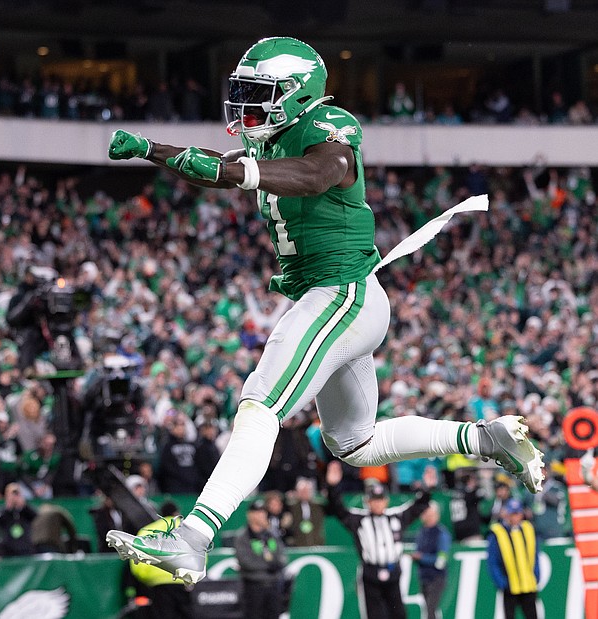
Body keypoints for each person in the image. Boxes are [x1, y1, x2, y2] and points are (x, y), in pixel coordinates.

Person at [105, 36, 544, 585]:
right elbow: (216, 166)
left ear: (296, 94)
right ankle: (484, 439)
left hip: (341, 292)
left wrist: (232, 172)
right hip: (340, 298)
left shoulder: (330, 128)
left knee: (260, 403)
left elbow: (315, 174)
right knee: (355, 444)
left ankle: (193, 537)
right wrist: (152, 148)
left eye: (258, 94)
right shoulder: (273, 141)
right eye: (241, 92)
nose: (245, 107)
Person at [326, 461, 435, 619]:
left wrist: (427, 488)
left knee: (398, 614)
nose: (377, 503)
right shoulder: (359, 519)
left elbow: (418, 507)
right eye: (374, 500)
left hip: (393, 572)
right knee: (375, 615)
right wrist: (332, 487)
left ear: (386, 501)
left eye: (380, 499)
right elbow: (338, 509)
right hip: (370, 574)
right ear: (367, 502)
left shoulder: (396, 516)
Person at [234, 499, 288, 619]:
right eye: (258, 512)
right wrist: (269, 565)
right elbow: (246, 562)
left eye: (263, 512)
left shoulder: (271, 535)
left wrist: (275, 564)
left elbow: (282, 556)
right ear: (250, 515)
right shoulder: (243, 537)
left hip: (274, 585)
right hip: (254, 586)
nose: (262, 515)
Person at [487, 497, 540, 619]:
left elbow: (535, 555)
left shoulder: (528, 529)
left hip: (528, 584)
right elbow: (493, 561)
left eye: (517, 513)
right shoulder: (498, 532)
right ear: (506, 514)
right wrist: (501, 582)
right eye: (512, 514)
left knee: (532, 615)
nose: (515, 517)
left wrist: (536, 576)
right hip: (510, 585)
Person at [412, 501, 451, 619]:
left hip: (436, 577)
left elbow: (441, 560)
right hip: (424, 577)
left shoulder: (441, 533)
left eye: (430, 514)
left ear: (436, 515)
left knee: (431, 609)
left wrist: (422, 558)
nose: (427, 517)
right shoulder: (421, 532)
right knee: (428, 609)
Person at [0, 482, 38, 556]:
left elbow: (35, 516)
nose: (14, 497)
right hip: (8, 549)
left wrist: (23, 505)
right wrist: (8, 507)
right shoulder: (3, 511)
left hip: (25, 548)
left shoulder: (25, 510)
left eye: (17, 494)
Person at [284, 477, 326, 547]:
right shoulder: (291, 507)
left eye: (307, 491)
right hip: (297, 545)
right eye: (302, 491)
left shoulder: (318, 507)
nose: (304, 493)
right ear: (297, 492)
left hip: (316, 544)